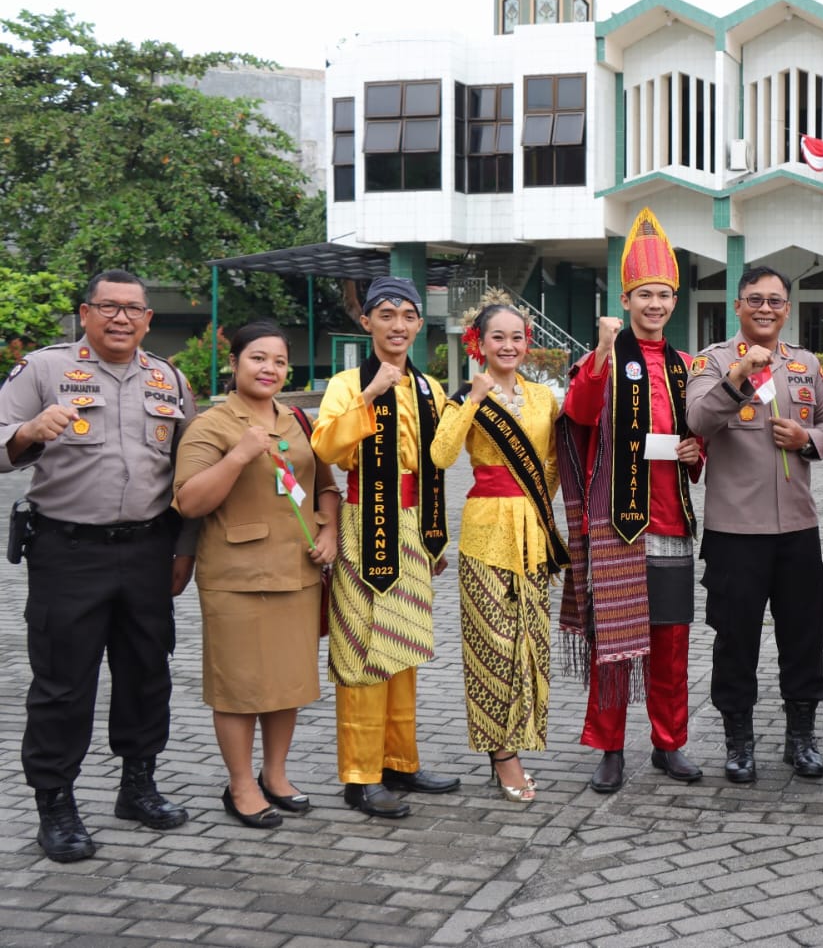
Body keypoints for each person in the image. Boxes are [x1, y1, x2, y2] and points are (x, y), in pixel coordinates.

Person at [0, 269, 195, 862]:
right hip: (68, 551)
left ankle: (138, 787)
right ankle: (55, 805)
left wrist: (184, 549)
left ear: (147, 318)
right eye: (108, 307)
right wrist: (29, 432)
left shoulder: (168, 377)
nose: (121, 318)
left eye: (132, 309)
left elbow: (188, 471)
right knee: (62, 682)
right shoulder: (44, 370)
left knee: (145, 672)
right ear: (84, 313)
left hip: (146, 550)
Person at [557, 210, 704, 794]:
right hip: (617, 526)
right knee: (613, 650)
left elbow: (698, 434)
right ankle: (610, 749)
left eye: (664, 295)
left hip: (671, 524)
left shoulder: (684, 365)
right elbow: (579, 413)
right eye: (645, 294)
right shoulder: (604, 360)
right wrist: (602, 345)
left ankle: (670, 745)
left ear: (675, 299)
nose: (655, 304)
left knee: (670, 647)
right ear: (626, 297)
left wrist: (696, 452)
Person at [173, 321, 340, 829]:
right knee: (240, 687)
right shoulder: (211, 425)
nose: (270, 369)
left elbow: (326, 486)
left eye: (279, 361)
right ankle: (240, 784)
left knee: (285, 683)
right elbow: (188, 501)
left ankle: (276, 773)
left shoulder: (298, 420)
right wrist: (242, 453)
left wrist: (329, 531)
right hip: (237, 578)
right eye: (258, 358)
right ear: (235, 363)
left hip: (297, 571)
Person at [312, 276, 459, 818]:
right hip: (363, 523)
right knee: (363, 650)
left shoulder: (430, 388)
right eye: (387, 315)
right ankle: (359, 774)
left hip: (413, 524)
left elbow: (440, 461)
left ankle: (400, 761)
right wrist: (371, 397)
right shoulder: (348, 383)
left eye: (408, 316)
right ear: (367, 322)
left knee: (404, 649)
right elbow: (324, 446)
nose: (398, 325)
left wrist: (434, 533)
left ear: (420, 324)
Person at [685, 265, 823, 782]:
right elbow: (698, 421)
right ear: (738, 306)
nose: (765, 308)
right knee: (735, 637)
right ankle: (739, 742)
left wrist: (807, 439)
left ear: (787, 308)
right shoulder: (712, 361)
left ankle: (802, 738)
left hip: (797, 526)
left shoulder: (806, 364)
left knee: (803, 636)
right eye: (755, 299)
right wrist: (738, 376)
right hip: (735, 530)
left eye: (775, 300)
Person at [432, 297, 566, 803]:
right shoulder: (464, 397)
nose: (508, 346)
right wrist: (472, 399)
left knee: (528, 644)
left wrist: (532, 502)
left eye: (517, 337)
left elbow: (552, 462)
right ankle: (501, 753)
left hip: (530, 532)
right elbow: (441, 455)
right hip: (485, 535)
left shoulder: (542, 399)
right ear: (479, 344)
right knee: (492, 644)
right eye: (497, 338)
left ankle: (516, 743)